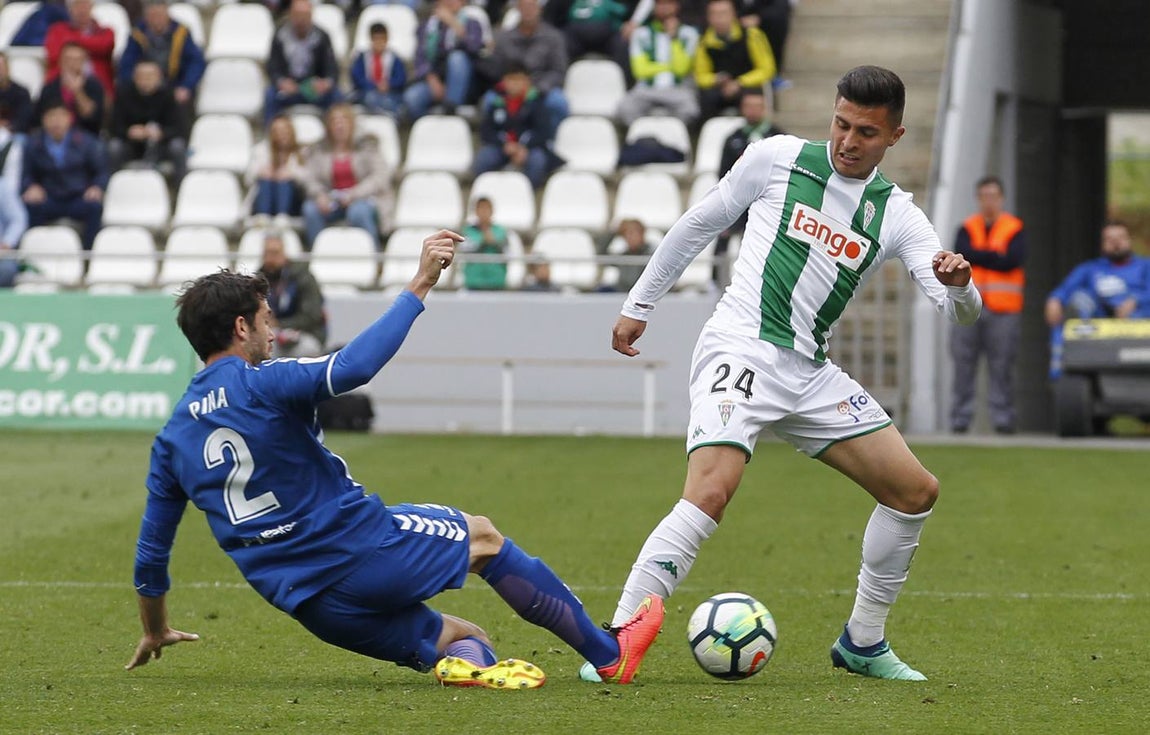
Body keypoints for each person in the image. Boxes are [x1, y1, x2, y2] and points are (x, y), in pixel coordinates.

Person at [580, 66, 982, 684]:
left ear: (894, 136)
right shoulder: (777, 158)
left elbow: (956, 310)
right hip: (739, 348)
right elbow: (699, 223)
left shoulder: (897, 215)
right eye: (841, 124)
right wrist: (640, 304)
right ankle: (615, 641)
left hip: (809, 372)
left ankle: (863, 643)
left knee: (914, 492)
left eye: (866, 132)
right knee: (710, 491)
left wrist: (961, 287)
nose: (848, 141)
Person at [125, 230, 665, 688]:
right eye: (265, 319)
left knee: (465, 637)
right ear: (241, 327)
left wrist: (154, 629)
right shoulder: (263, 381)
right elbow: (353, 367)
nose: (272, 331)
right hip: (361, 553)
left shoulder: (173, 437)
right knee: (482, 538)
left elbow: (151, 555)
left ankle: (469, 668)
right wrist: (420, 283)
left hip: (314, 608)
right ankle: (608, 655)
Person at [949, 176, 1026, 435]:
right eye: (984, 196)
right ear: (978, 199)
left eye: (993, 196)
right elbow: (962, 254)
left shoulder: (1014, 228)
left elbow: (1012, 260)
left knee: (1002, 366)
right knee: (963, 364)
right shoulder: (967, 228)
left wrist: (977, 256)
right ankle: (960, 418)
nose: (989, 201)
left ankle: (1003, 419)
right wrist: (994, 256)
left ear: (1001, 198)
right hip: (968, 308)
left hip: (1004, 310)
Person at [301, 104, 394, 249]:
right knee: (310, 209)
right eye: (335, 121)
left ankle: (373, 253)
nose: (339, 125)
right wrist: (320, 195)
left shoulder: (368, 146)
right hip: (333, 200)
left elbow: (380, 176)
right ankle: (318, 253)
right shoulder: (319, 150)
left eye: (343, 120)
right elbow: (310, 178)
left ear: (352, 124)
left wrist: (354, 194)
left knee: (358, 211)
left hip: (365, 198)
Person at [714, 87, 784, 279]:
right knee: (722, 231)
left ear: (764, 108)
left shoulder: (779, 137)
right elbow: (723, 174)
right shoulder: (733, 138)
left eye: (757, 106)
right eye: (748, 106)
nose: (753, 110)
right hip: (739, 202)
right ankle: (715, 280)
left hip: (768, 200)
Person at [22, 103, 107, 251]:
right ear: (43, 119)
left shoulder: (86, 142)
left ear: (69, 118)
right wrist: (31, 186)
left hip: (78, 196)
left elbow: (101, 172)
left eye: (61, 116)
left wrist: (97, 187)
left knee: (94, 207)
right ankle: (36, 252)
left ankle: (88, 254)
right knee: (31, 205)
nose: (56, 121)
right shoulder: (33, 143)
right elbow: (26, 174)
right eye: (51, 116)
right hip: (48, 197)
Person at [490, 0, 570, 139]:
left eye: (532, 6)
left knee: (558, 103)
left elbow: (558, 71)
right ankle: (500, 143)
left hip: (542, 88)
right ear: (517, 9)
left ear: (540, 9)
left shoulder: (554, 37)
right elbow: (496, 69)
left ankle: (552, 142)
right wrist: (510, 86)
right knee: (489, 100)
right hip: (511, 88)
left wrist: (538, 89)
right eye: (524, 6)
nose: (528, 11)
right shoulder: (503, 38)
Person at [1045, 220, 1150, 325]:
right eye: (1109, 239)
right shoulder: (1090, 268)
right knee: (1079, 298)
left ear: (1130, 240)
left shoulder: (1145, 266)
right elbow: (1065, 289)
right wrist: (1055, 300)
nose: (1116, 243)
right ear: (1102, 244)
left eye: (1120, 238)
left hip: (1138, 320)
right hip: (1098, 321)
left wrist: (1135, 301)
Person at [616, 0, 699, 128]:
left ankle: (672, 135)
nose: (664, 7)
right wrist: (668, 66)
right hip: (646, 89)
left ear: (676, 6)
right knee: (625, 108)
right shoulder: (641, 33)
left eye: (668, 3)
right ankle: (643, 134)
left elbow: (681, 69)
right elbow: (640, 71)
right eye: (660, 3)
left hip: (678, 90)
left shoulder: (689, 34)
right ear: (654, 7)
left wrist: (673, 39)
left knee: (690, 109)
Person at [473, 64, 556, 189]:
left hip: (530, 148)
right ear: (504, 82)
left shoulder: (537, 102)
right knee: (484, 158)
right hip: (503, 147)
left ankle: (529, 192)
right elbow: (486, 131)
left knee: (537, 160)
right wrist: (504, 144)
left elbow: (543, 132)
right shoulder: (497, 103)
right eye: (511, 79)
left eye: (518, 80)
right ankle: (487, 191)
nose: (514, 84)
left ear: (527, 81)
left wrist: (523, 147)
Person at [118, 0, 207, 114]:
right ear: (146, 17)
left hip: (173, 85)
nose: (157, 21)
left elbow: (196, 61)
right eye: (153, 16)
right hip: (143, 84)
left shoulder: (181, 33)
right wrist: (135, 84)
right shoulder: (137, 34)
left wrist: (186, 85)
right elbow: (127, 63)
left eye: (160, 16)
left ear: (167, 15)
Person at [107, 61, 189, 185]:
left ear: (159, 77)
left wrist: (161, 133)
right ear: (134, 78)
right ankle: (111, 186)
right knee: (114, 147)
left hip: (162, 145)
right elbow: (113, 126)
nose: (145, 81)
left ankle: (181, 187)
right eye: (141, 77)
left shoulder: (169, 95)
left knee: (178, 146)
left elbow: (180, 128)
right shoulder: (124, 94)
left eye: (150, 76)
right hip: (132, 145)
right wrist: (129, 132)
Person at [694, 0, 776, 122]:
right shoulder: (704, 42)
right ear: (708, 17)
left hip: (747, 86)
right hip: (720, 89)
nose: (719, 18)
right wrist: (716, 79)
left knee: (752, 98)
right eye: (714, 14)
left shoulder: (751, 35)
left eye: (723, 13)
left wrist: (740, 82)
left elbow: (767, 69)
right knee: (706, 97)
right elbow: (700, 76)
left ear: (733, 14)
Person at [403, 0, 484, 121]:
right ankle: (433, 126)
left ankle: (450, 108)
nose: (449, 2)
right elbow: (420, 58)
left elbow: (474, 48)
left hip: (467, 83)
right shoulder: (427, 26)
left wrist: (453, 23)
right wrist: (432, 79)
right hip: (436, 78)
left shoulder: (472, 23)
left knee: (457, 58)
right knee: (412, 98)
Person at [265, 0, 340, 125]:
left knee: (336, 95)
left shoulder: (322, 36)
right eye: (298, 15)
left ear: (311, 16)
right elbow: (272, 66)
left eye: (305, 15)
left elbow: (331, 67)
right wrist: (281, 82)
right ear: (290, 15)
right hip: (289, 90)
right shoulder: (280, 35)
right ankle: (271, 131)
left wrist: (325, 83)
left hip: (313, 89)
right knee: (271, 95)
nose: (301, 20)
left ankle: (334, 133)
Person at [258, 230, 327, 357]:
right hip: (271, 335)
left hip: (305, 334)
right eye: (267, 253)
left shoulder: (302, 276)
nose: (271, 258)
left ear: (284, 253)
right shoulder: (258, 279)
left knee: (306, 349)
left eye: (275, 253)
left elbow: (312, 315)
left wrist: (280, 324)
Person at [44, 0, 117, 99]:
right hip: (61, 87)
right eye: (77, 5)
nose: (81, 10)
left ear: (92, 7)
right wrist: (91, 45)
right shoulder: (56, 30)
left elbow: (105, 45)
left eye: (85, 5)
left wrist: (71, 39)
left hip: (100, 88)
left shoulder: (106, 32)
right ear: (69, 9)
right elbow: (53, 54)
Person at [36, 42, 106, 136]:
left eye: (77, 59)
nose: (72, 63)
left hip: (86, 136)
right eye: (68, 59)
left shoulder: (94, 86)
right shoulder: (50, 88)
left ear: (84, 62)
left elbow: (93, 117)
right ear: (60, 61)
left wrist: (78, 92)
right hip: (54, 136)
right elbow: (40, 117)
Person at [246, 114, 305, 224]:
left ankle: (282, 215)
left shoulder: (301, 151)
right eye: (277, 131)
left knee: (284, 182)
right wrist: (261, 172)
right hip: (266, 193)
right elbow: (248, 179)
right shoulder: (261, 150)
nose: (281, 134)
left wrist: (291, 174)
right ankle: (263, 216)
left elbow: (307, 180)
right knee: (265, 181)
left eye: (284, 130)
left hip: (293, 202)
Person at [349, 23, 407, 118]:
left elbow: (401, 78)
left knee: (394, 101)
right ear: (371, 40)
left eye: (382, 39)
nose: (379, 43)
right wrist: (375, 85)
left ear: (387, 39)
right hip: (367, 91)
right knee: (368, 98)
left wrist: (389, 84)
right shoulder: (362, 57)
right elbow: (357, 77)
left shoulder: (395, 58)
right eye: (376, 39)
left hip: (389, 92)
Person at [460, 197, 509, 290]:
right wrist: (483, 241)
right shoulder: (468, 231)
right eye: (481, 208)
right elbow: (465, 252)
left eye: (487, 208)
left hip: (496, 284)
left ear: (492, 210)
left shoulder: (501, 231)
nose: (484, 212)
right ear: (475, 211)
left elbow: (507, 253)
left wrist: (495, 243)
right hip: (474, 284)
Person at [607, 217, 654, 291]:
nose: (629, 237)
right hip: (623, 293)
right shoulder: (623, 255)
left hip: (644, 293)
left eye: (632, 233)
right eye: (625, 234)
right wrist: (613, 233)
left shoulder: (652, 254)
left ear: (642, 234)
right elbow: (603, 255)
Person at [0, 164, 28, 288]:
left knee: (6, 270)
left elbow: (18, 220)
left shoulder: (2, 187)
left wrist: (6, 243)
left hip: (1, 252)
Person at [0, 53, 34, 136]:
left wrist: (9, 127)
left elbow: (24, 119)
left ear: (8, 69)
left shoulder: (21, 92)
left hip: (15, 133)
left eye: (1, 68)